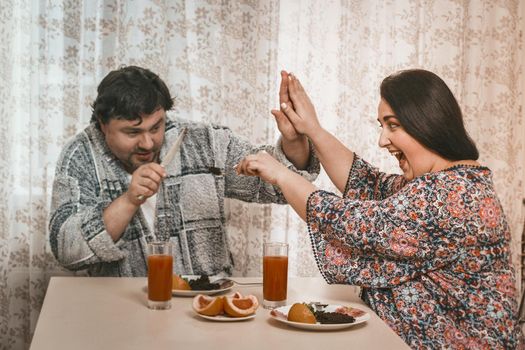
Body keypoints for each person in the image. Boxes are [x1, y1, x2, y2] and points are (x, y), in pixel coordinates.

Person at [236, 69, 524, 348]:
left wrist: (282, 175)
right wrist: (311, 128)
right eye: (382, 126)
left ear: (427, 123)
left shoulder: (456, 195)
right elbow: (367, 182)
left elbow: (353, 223)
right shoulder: (452, 181)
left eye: (393, 125)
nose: (382, 140)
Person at [48, 66, 319, 277]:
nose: (147, 142)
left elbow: (279, 188)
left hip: (205, 308)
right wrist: (129, 200)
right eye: (132, 132)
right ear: (102, 124)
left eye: (156, 127)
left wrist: (294, 141)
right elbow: (68, 251)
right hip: (120, 311)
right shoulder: (79, 154)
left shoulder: (203, 140)